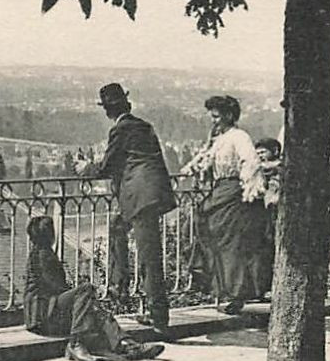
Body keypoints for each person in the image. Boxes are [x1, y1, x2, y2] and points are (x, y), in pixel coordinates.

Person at [75, 83, 177, 332]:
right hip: (152, 195)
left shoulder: (120, 130)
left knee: (149, 256)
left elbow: (106, 166)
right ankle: (120, 285)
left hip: (139, 198)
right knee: (118, 229)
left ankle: (158, 318)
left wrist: (83, 168)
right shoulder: (144, 126)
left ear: (107, 111)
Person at [23, 213, 163, 361]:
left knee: (98, 311)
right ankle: (76, 343)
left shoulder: (41, 254)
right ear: (51, 235)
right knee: (86, 290)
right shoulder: (43, 256)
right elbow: (58, 289)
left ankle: (127, 344)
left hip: (46, 314)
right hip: (43, 316)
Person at [182, 95, 271, 314]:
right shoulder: (217, 139)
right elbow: (205, 161)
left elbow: (251, 161)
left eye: (216, 116)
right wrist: (193, 170)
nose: (213, 121)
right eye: (212, 117)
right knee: (204, 231)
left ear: (229, 116)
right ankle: (215, 286)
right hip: (219, 191)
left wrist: (249, 187)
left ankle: (236, 293)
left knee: (230, 243)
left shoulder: (239, 136)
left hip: (233, 193)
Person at [254, 137, 282, 292]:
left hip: (274, 210)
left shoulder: (278, 168)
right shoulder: (259, 169)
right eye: (257, 153)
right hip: (262, 214)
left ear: (275, 152)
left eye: (263, 152)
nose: (260, 156)